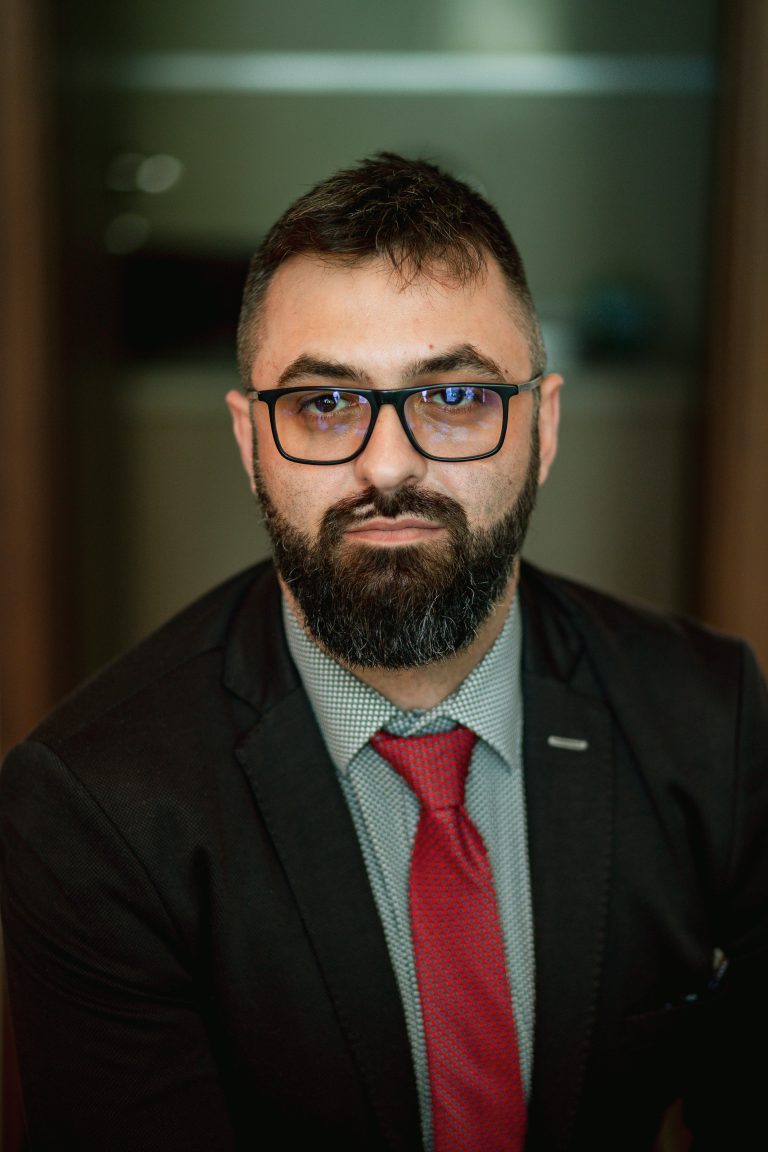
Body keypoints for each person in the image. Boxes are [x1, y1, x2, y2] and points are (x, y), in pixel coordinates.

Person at [1, 153, 766, 1152]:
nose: (389, 465)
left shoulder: (713, 723)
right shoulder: (95, 807)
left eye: (455, 398)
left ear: (542, 427)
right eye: (326, 405)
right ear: (250, 443)